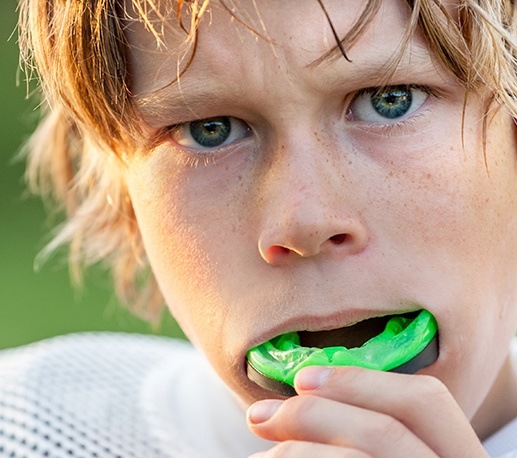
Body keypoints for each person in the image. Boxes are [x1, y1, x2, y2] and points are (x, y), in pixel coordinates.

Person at [2, 0, 517, 456]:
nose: (304, 222)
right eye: (211, 130)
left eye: (390, 99)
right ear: (124, 197)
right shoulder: (27, 430)